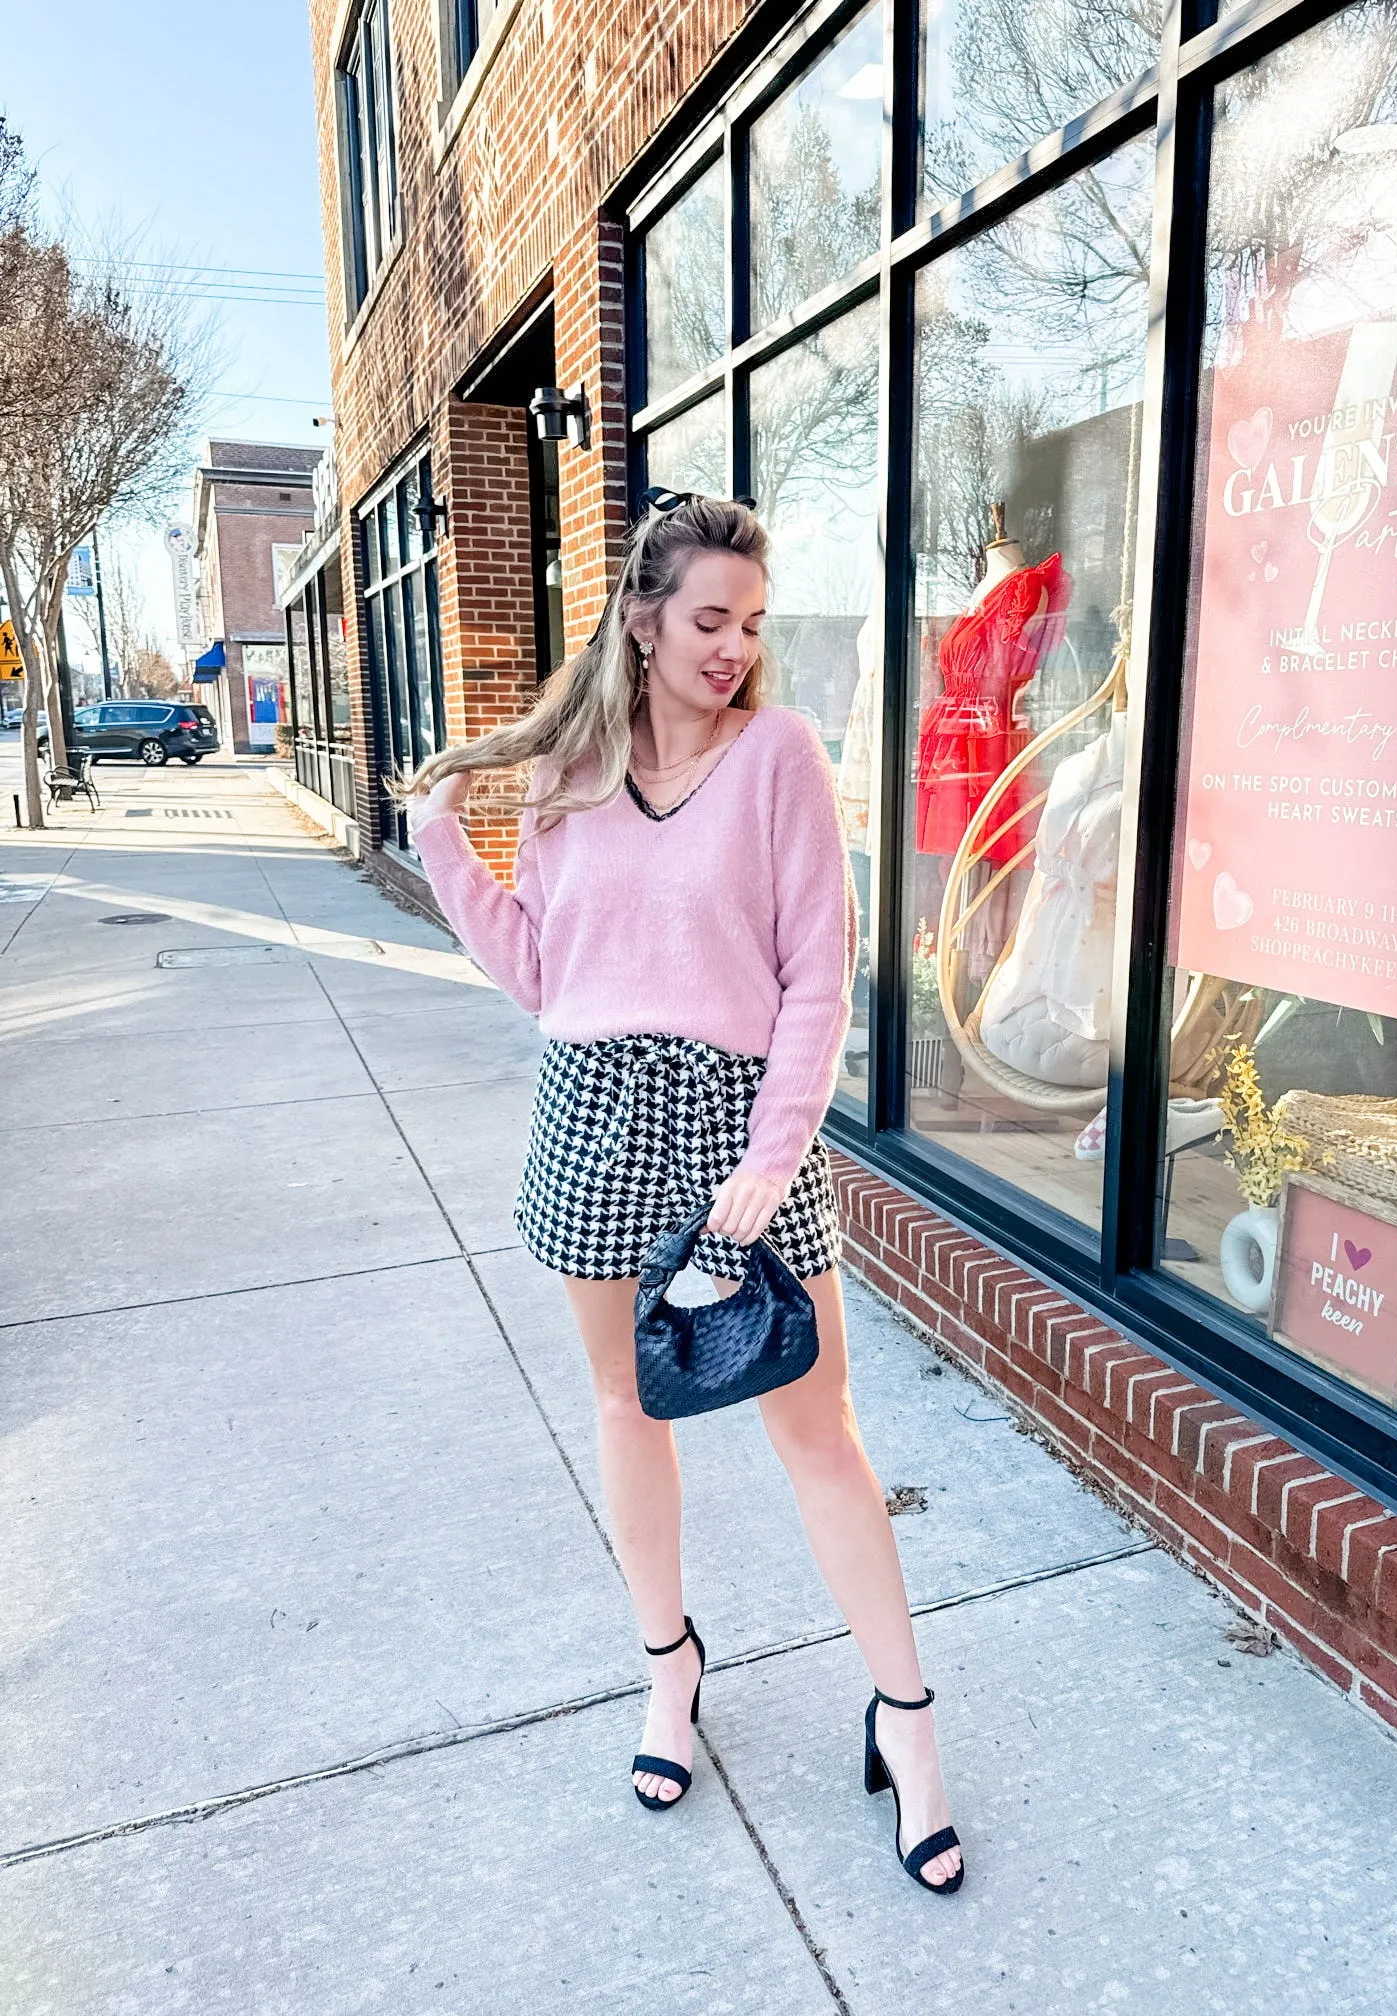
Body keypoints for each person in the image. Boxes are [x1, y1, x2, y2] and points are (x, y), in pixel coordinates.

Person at [403, 491, 962, 1895]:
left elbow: (817, 982)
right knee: (623, 1405)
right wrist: (445, 857)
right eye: (709, 619)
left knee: (819, 1427)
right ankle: (669, 1673)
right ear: (642, 620)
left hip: (740, 1130)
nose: (733, 647)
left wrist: (767, 1172)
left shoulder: (779, 757)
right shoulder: (569, 774)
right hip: (595, 1114)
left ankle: (908, 1727)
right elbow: (548, 976)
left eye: (752, 624)